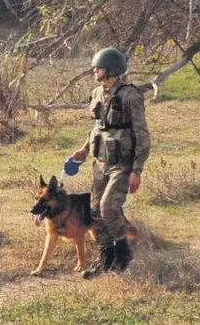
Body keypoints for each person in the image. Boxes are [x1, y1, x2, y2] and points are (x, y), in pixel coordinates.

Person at [71, 47, 151, 279]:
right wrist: (85, 149)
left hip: (122, 164)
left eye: (99, 67)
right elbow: (98, 126)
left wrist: (137, 170)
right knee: (95, 211)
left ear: (112, 70)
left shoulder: (130, 95)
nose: (95, 71)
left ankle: (123, 253)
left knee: (108, 208)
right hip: (100, 161)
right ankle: (106, 259)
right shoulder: (97, 93)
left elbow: (142, 134)